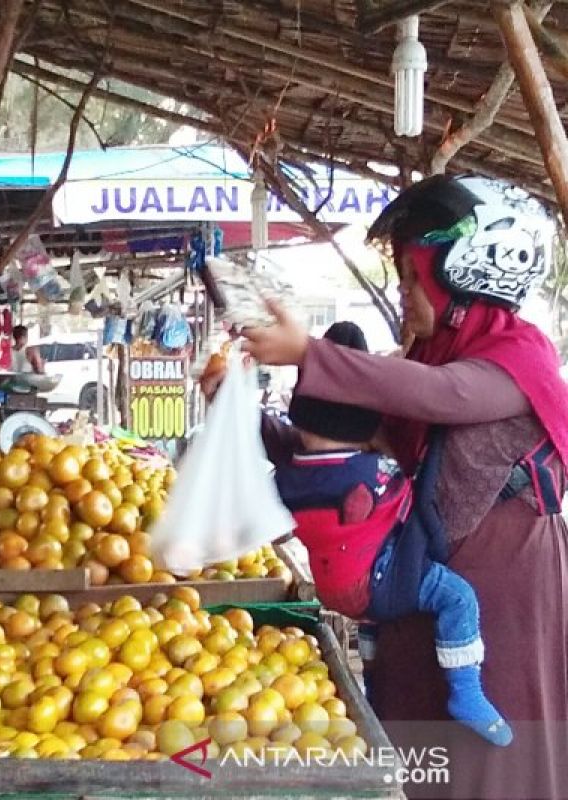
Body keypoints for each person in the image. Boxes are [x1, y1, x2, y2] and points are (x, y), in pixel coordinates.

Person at [242, 175, 567, 799]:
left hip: (504, 589)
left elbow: (446, 398)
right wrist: (245, 415)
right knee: (421, 742)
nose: (403, 290)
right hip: (423, 576)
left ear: (462, 278)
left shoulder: (517, 357)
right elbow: (340, 448)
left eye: (414, 275)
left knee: (493, 754)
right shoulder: (427, 358)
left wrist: (309, 353)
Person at [275, 321, 510, 746]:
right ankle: (467, 692)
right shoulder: (370, 474)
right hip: (379, 583)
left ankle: (372, 682)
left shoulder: (290, 476)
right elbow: (410, 484)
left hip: (334, 588)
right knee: (457, 598)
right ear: (365, 424)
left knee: (374, 617)